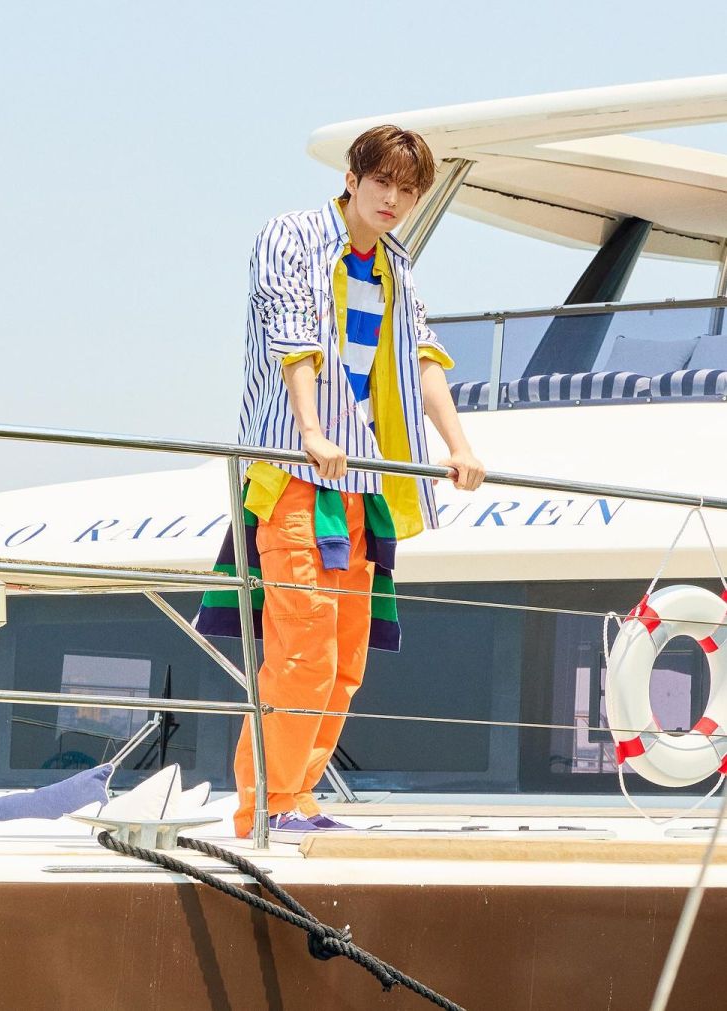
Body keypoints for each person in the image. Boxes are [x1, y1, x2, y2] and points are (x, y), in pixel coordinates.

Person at [197, 124, 485, 839]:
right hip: (295, 472)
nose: (393, 200)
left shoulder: (394, 265)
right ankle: (264, 806)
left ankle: (296, 799)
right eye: (381, 182)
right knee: (302, 650)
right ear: (352, 179)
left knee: (346, 659)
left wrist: (458, 446)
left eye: (408, 191)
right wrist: (310, 429)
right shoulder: (293, 235)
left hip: (363, 482)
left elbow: (422, 356)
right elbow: (291, 333)